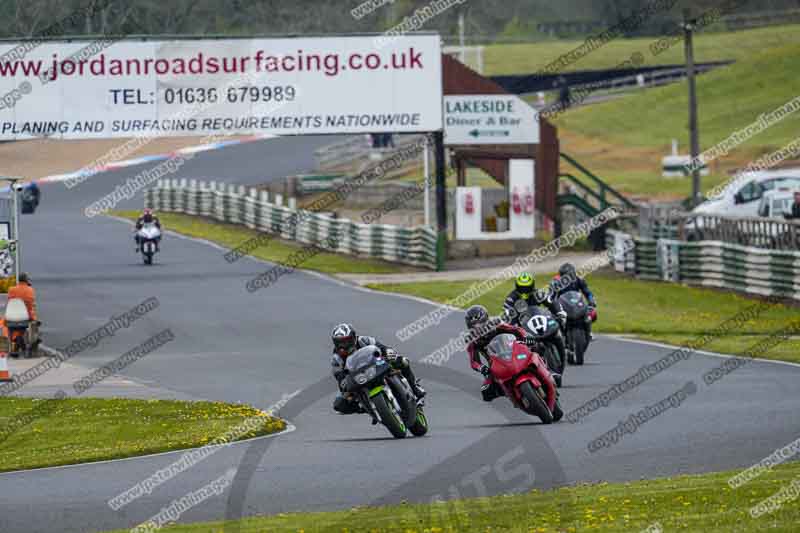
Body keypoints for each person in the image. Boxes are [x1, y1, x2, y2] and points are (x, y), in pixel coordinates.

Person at [330, 323, 425, 415]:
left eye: (346, 341)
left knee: (402, 361)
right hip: (358, 378)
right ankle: (367, 407)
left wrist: (389, 352)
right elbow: (340, 378)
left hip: (376, 365)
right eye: (339, 343)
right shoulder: (336, 358)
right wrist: (344, 385)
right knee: (339, 405)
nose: (343, 346)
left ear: (353, 337)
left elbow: (382, 347)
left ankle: (415, 388)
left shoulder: (364, 340)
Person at [464, 305, 552, 402]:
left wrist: (525, 337)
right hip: (495, 364)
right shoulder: (472, 340)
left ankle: (547, 370)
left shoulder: (496, 324)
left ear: (486, 319)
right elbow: (474, 361)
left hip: (513, 350)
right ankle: (512, 394)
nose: (478, 327)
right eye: (474, 325)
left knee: (537, 346)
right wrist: (482, 368)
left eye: (480, 323)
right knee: (486, 392)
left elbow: (516, 330)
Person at [503, 272, 568, 375]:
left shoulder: (538, 293)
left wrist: (560, 312)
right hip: (523, 326)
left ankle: (563, 354)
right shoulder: (511, 298)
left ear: (532, 286)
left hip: (540, 321)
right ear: (517, 286)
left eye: (527, 288)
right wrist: (514, 327)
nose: (524, 290)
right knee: (521, 346)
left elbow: (552, 302)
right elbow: (508, 315)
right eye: (522, 287)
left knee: (557, 334)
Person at [550, 263, 597, 341]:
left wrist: (591, 301)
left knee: (591, 313)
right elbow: (551, 295)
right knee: (553, 317)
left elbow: (587, 292)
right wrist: (551, 304)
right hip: (562, 305)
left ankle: (588, 332)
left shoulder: (579, 280)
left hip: (576, 302)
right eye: (565, 276)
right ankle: (557, 334)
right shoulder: (556, 282)